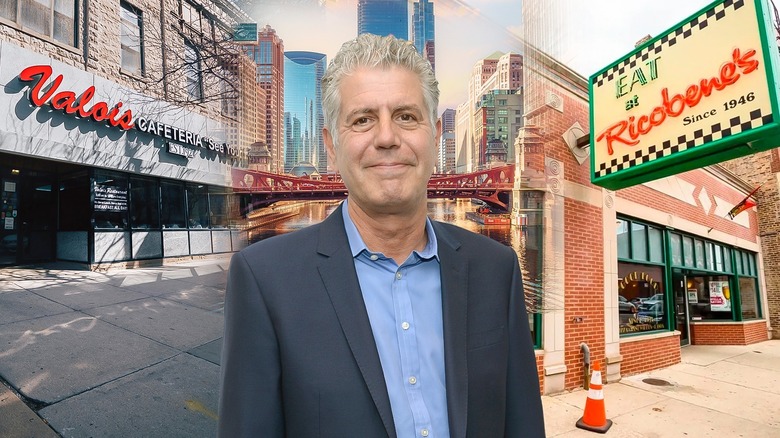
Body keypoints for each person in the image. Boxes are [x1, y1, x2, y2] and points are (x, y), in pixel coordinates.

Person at [218, 34, 545, 437]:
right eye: (362, 119)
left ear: (435, 133)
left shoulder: (497, 269)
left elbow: (523, 424)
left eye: (406, 116)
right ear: (331, 146)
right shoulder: (262, 278)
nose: (387, 137)